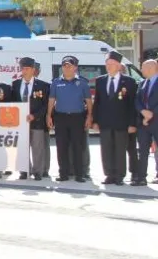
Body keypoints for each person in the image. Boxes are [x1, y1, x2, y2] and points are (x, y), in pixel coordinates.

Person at [92, 51, 137, 186]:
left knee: (119, 150)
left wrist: (132, 123)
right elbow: (97, 102)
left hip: (122, 123)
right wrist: (95, 121)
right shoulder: (100, 80)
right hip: (105, 122)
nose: (109, 66)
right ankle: (109, 174)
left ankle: (119, 176)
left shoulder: (129, 82)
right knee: (106, 149)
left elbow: (132, 105)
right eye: (107, 64)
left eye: (112, 64)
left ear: (118, 66)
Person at [46, 55, 92, 183]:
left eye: (69, 65)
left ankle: (79, 174)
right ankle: (63, 174)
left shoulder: (82, 82)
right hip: (60, 117)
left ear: (75, 68)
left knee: (78, 146)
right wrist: (49, 115)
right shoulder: (56, 82)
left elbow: (88, 101)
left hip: (78, 117)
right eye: (64, 65)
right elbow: (51, 100)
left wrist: (89, 116)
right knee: (61, 146)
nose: (67, 68)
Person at [11, 57, 49, 180]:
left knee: (37, 148)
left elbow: (45, 105)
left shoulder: (42, 85)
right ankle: (24, 170)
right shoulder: (16, 84)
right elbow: (13, 102)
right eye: (23, 68)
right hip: (21, 123)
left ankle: (38, 171)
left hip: (36, 122)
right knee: (22, 147)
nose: (25, 71)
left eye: (28, 68)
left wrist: (35, 115)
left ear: (33, 70)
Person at [134, 59, 158, 186]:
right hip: (144, 122)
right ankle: (141, 177)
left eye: (142, 67)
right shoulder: (142, 83)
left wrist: (151, 114)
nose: (141, 70)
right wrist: (143, 111)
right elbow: (137, 100)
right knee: (142, 150)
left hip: (156, 120)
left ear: (150, 68)